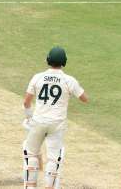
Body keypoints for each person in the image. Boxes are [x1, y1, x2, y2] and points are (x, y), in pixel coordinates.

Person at [22, 46, 88, 188]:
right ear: (64, 62)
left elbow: (26, 102)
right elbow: (84, 98)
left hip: (38, 121)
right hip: (57, 124)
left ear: (48, 60)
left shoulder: (37, 77)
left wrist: (28, 117)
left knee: (30, 154)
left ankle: (30, 186)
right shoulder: (69, 80)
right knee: (54, 158)